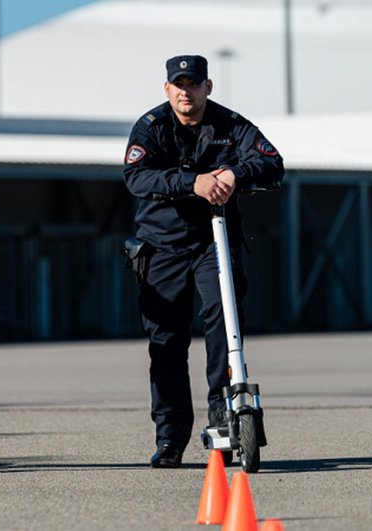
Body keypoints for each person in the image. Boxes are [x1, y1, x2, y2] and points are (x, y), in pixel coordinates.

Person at [122, 55, 284, 468]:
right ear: (167, 89)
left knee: (224, 323)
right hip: (163, 246)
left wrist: (234, 173)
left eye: (192, 84)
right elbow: (137, 177)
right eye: (177, 85)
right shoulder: (151, 126)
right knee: (166, 341)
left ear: (207, 87)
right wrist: (191, 182)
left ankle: (224, 414)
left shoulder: (232, 125)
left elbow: (272, 163)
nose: (185, 92)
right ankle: (170, 437)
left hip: (214, 240)